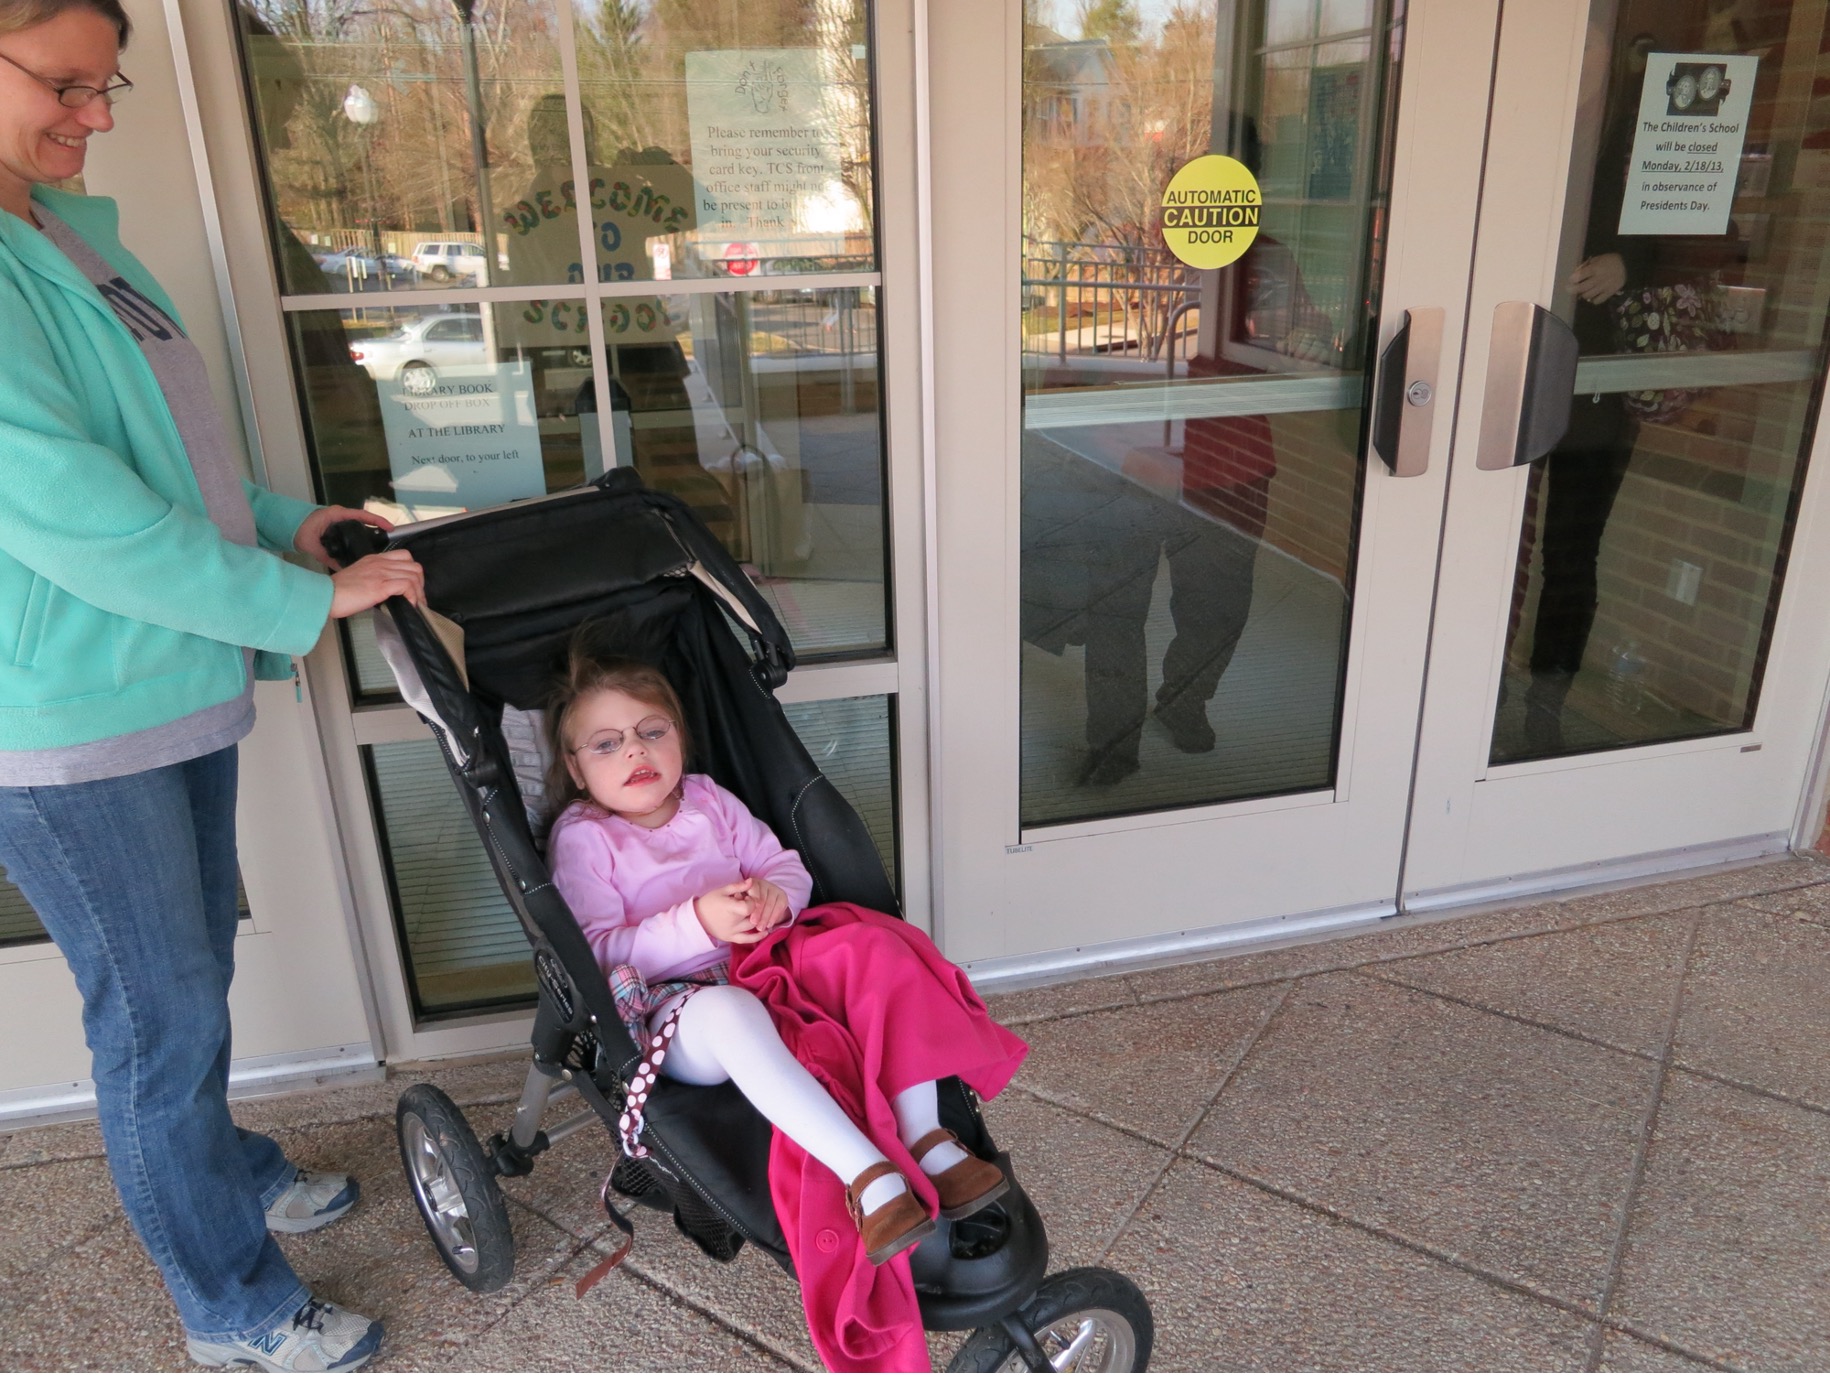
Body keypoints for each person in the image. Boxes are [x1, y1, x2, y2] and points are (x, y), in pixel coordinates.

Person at [0, 2, 423, 1368]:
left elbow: (165, 461)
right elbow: (81, 517)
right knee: (157, 1010)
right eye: (67, 85)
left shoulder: (59, 231)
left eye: (103, 82)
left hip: (163, 677)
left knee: (189, 969)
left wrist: (288, 523)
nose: (99, 114)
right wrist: (302, 601)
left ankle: (222, 1162)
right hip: (69, 712)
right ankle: (231, 1306)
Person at [543, 652, 1016, 1261]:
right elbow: (597, 952)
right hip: (679, 1003)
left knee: (875, 946)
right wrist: (697, 921)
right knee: (728, 1011)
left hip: (771, 961)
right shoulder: (586, 837)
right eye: (607, 745)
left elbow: (782, 866)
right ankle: (869, 1177)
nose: (636, 752)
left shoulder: (709, 800)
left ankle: (925, 1136)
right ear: (576, 770)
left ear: (679, 740)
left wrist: (776, 896)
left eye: (652, 732)